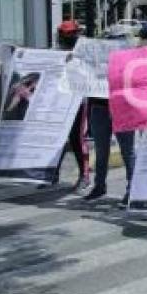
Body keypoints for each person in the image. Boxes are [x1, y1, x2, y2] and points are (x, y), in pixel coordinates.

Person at [84, 31, 138, 208]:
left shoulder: (131, 62)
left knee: (127, 151)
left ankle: (132, 191)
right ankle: (99, 186)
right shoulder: (95, 61)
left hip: (121, 107)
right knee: (101, 150)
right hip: (99, 107)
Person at [42, 21, 91, 191]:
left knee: (77, 138)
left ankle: (85, 175)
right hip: (59, 100)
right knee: (57, 137)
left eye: (71, 34)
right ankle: (52, 174)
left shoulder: (84, 51)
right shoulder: (54, 52)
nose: (69, 37)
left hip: (78, 101)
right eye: (66, 34)